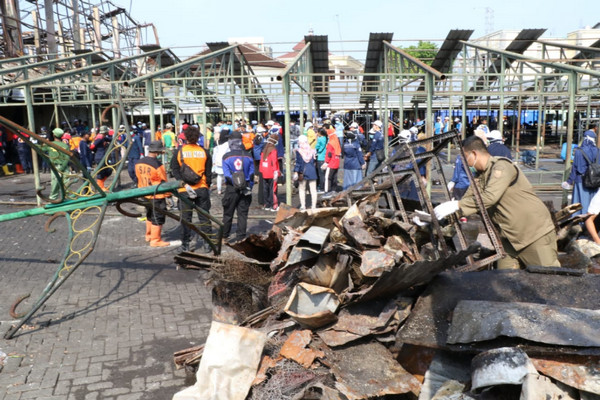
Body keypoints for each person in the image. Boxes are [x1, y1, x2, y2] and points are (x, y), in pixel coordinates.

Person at [434, 135, 560, 269]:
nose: (465, 163)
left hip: (533, 234)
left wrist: (456, 204)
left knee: (547, 279)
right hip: (509, 238)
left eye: (465, 158)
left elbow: (489, 197)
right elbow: (467, 202)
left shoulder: (501, 166)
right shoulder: (480, 177)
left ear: (474, 154)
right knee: (505, 281)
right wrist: (437, 218)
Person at [170, 125, 213, 253]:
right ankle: (207, 243)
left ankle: (185, 244)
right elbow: (208, 172)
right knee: (204, 216)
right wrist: (207, 185)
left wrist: (181, 182)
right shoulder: (204, 152)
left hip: (185, 189)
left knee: (186, 218)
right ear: (198, 137)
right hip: (202, 187)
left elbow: (174, 169)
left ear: (186, 137)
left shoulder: (180, 152)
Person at [135, 141, 172, 247]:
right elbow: (163, 181)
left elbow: (136, 176)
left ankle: (149, 235)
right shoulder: (157, 165)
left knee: (150, 214)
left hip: (144, 193)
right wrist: (168, 194)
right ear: (158, 152)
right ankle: (155, 240)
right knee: (158, 216)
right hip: (157, 195)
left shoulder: (139, 162)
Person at [221, 131, 254, 241]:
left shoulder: (226, 157)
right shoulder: (249, 156)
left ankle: (225, 236)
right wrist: (249, 186)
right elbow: (252, 174)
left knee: (228, 214)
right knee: (242, 214)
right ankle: (241, 237)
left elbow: (227, 175)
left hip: (231, 188)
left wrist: (235, 183)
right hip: (246, 188)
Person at [563, 125, 599, 215]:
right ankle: (591, 221)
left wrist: (569, 181)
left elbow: (574, 168)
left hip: (581, 180)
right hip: (595, 181)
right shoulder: (598, 151)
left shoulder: (579, 151)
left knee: (579, 202)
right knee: (593, 204)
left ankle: (579, 222)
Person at [43, 128, 70, 200]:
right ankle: (67, 203)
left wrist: (43, 142)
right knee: (66, 187)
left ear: (54, 135)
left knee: (55, 186)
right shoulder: (65, 146)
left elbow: (41, 149)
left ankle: (52, 202)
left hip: (56, 168)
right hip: (65, 168)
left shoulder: (50, 145)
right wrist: (62, 168)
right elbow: (67, 159)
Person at [294, 135, 318, 210]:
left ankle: (303, 205)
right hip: (312, 171)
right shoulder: (312, 150)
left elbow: (298, 162)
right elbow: (314, 161)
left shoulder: (299, 151)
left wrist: (295, 172)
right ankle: (313, 205)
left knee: (302, 189)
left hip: (302, 172)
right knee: (313, 190)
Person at [260, 133, 281, 211]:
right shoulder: (273, 149)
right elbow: (274, 161)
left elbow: (262, 161)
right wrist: (276, 171)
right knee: (273, 189)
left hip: (264, 171)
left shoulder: (264, 149)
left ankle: (267, 204)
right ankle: (274, 205)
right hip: (271, 171)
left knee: (266, 189)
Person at [90, 125, 114, 191]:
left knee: (109, 170)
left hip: (103, 156)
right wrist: (96, 151)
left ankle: (101, 184)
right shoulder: (99, 138)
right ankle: (100, 186)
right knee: (101, 172)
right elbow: (92, 147)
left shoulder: (103, 137)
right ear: (105, 132)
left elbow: (110, 139)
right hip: (99, 157)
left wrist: (115, 136)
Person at [323, 127, 341, 192]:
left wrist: (326, 162)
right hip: (337, 161)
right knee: (334, 177)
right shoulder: (337, 142)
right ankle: (334, 190)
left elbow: (329, 154)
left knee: (328, 178)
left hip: (331, 163)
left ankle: (327, 191)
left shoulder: (331, 143)